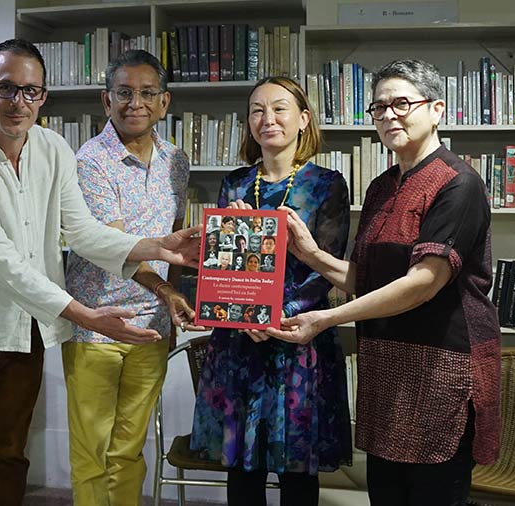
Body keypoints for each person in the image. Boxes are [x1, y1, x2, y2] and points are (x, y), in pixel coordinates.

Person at [0, 39, 201, 506]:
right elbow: (4, 264)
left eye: (30, 92)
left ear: (43, 97)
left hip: (25, 330)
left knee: (11, 455)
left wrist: (156, 245)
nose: (18, 102)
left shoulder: (52, 149)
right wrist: (85, 316)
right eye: (6, 89)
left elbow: (84, 233)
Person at [266, 59, 501, 506]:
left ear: (436, 109)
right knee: (386, 496)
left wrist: (327, 317)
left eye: (402, 103)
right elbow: (366, 280)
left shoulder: (459, 183)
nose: (389, 115)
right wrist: (309, 253)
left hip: (441, 373)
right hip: (386, 374)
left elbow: (422, 283)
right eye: (379, 107)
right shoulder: (380, 186)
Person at [190, 76, 352, 506]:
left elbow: (328, 269)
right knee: (243, 468)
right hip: (240, 344)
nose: (268, 119)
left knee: (297, 470)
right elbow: (221, 267)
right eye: (258, 110)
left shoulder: (326, 185)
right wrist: (244, 312)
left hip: (297, 338)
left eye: (279, 108)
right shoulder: (234, 184)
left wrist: (278, 313)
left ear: (302, 119)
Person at [63, 49, 203, 506]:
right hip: (96, 324)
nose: (134, 103)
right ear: (106, 101)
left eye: (146, 93)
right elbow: (115, 245)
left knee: (129, 448)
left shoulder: (177, 162)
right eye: (124, 93)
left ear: (165, 103)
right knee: (93, 450)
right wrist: (166, 289)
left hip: (152, 330)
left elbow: (176, 247)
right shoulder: (89, 161)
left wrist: (173, 298)